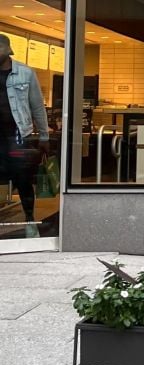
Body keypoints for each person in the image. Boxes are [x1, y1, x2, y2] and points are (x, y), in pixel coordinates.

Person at [0, 33, 49, 238]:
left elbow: (37, 106)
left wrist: (44, 136)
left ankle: (30, 220)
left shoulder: (24, 73)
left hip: (18, 136)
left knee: (23, 180)